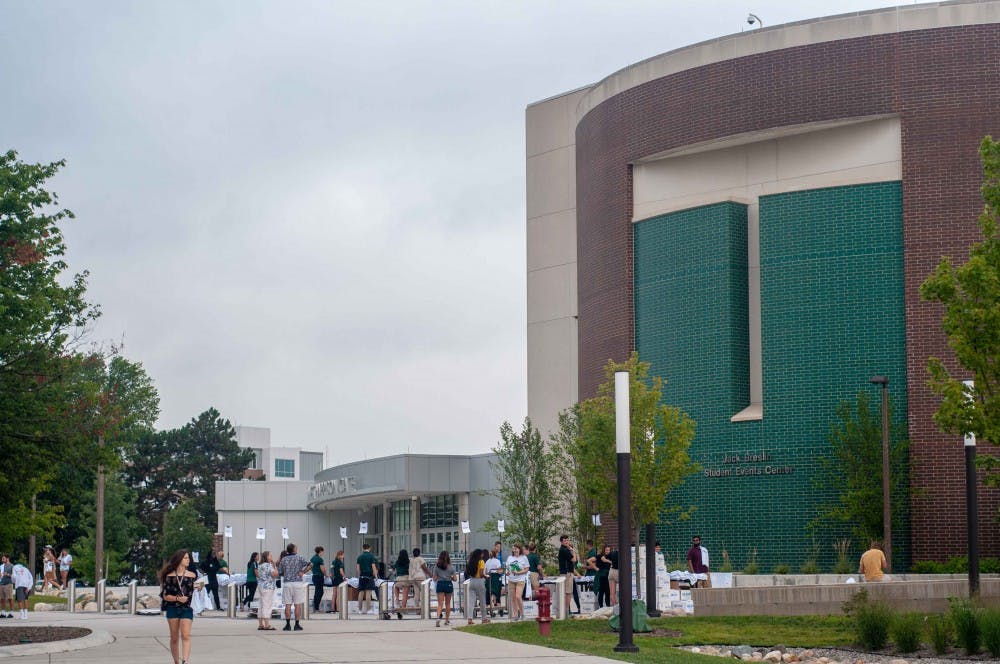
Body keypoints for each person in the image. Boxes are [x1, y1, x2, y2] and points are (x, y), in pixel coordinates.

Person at [159, 549, 196, 664]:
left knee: (186, 635)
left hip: (187, 609)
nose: (188, 560)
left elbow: (194, 592)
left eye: (188, 558)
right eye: (185, 558)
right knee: (174, 638)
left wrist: (199, 587)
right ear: (179, 559)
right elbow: (165, 596)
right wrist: (177, 599)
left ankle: (185, 661)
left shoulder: (192, 575)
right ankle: (176, 661)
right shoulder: (169, 576)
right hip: (172, 608)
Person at [277, 542, 312, 631]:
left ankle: (288, 624)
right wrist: (303, 572)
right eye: (296, 548)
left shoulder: (284, 559)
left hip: (287, 583)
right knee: (297, 604)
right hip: (297, 583)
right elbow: (311, 564)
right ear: (293, 549)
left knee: (287, 605)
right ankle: (297, 624)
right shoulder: (299, 557)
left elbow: (280, 572)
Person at [464, 549, 490, 625]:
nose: (482, 555)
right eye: (481, 554)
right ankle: (484, 618)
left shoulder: (470, 561)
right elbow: (481, 574)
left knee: (471, 601)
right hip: (479, 581)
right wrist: (486, 576)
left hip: (471, 581)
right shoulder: (481, 561)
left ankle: (470, 618)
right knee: (482, 601)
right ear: (479, 555)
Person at [431, 550, 456, 627]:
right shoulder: (451, 567)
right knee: (448, 604)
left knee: (440, 603)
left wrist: (440, 576)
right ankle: (446, 620)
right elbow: (455, 579)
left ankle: (438, 618)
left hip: (440, 584)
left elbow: (434, 578)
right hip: (448, 584)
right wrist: (450, 577)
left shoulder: (436, 566)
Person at [255, 550, 278, 630]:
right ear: (266, 557)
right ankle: (267, 624)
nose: (271, 557)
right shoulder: (268, 565)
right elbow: (274, 575)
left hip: (261, 586)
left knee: (261, 605)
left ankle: (260, 624)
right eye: (270, 556)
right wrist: (275, 566)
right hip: (268, 587)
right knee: (267, 605)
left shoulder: (260, 565)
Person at [506, 543, 529, 621]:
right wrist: (507, 572)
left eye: (516, 548)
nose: (515, 550)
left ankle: (522, 614)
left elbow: (526, 569)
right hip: (511, 580)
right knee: (512, 598)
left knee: (518, 597)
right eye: (513, 548)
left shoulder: (524, 558)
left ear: (519, 549)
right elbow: (507, 568)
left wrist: (519, 572)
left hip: (520, 580)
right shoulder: (509, 558)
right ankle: (515, 615)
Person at [356, 543, 379, 615]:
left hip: (362, 576)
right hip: (369, 576)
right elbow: (373, 567)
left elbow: (358, 568)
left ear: (363, 548)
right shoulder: (371, 556)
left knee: (361, 592)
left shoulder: (359, 557)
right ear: (369, 548)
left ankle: (359, 610)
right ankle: (368, 609)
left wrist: (359, 575)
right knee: (368, 593)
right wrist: (376, 576)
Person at [557, 535, 577, 615]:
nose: (567, 542)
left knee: (565, 592)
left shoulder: (563, 549)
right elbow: (574, 560)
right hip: (567, 573)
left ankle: (565, 610)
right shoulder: (564, 550)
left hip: (564, 573)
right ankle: (566, 610)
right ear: (561, 542)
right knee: (568, 592)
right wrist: (573, 551)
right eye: (565, 541)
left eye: (567, 540)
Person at [484, 549, 503, 617]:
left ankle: (488, 608)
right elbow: (499, 571)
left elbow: (485, 571)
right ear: (495, 554)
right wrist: (501, 571)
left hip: (489, 577)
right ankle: (499, 608)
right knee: (497, 593)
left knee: (489, 593)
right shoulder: (497, 561)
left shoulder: (487, 561)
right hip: (495, 578)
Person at [392, 549, 410, 618]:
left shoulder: (397, 562)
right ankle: (403, 608)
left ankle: (397, 599)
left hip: (398, 578)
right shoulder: (408, 562)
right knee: (405, 595)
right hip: (406, 578)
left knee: (396, 587)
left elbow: (393, 568)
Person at [310, 546, 327, 613]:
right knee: (319, 592)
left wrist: (314, 571)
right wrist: (326, 574)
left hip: (314, 576)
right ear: (320, 551)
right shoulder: (320, 559)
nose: (323, 553)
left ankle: (316, 607)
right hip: (319, 577)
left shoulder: (313, 558)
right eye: (323, 551)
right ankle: (316, 608)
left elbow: (310, 567)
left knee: (317, 591)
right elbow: (322, 569)